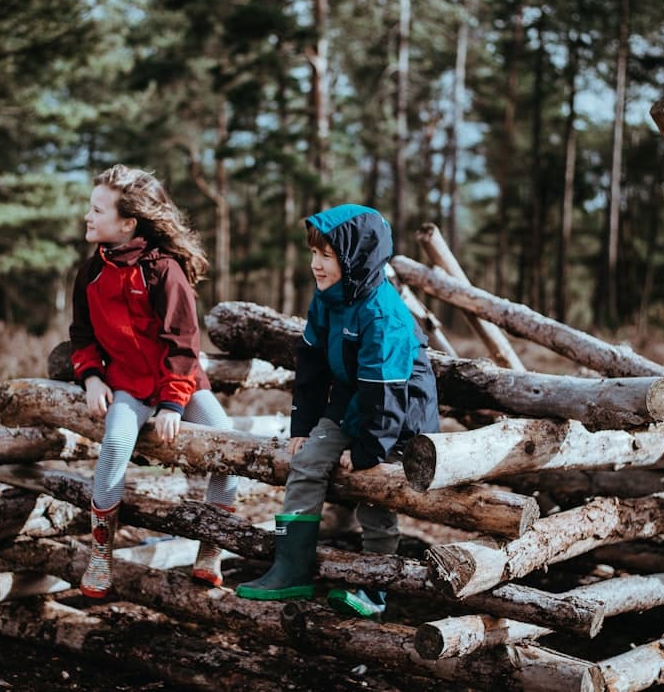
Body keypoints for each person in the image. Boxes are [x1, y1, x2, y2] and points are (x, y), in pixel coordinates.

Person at [235, 203, 439, 619]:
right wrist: (303, 426)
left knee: (376, 491)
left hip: (400, 418)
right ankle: (290, 568)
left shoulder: (383, 316)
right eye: (313, 254)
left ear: (355, 257)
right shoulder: (328, 299)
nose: (315, 265)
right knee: (306, 460)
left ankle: (375, 587)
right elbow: (310, 363)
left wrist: (367, 451)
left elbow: (385, 397)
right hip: (351, 402)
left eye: (326, 256)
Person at [70, 164, 240, 599]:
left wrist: (172, 405)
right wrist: (90, 377)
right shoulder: (90, 274)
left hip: (182, 384)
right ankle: (101, 554)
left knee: (227, 440)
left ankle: (211, 549)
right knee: (114, 445)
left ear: (128, 223)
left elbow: (183, 344)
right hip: (127, 386)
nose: (87, 216)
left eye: (96, 210)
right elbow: (83, 336)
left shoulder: (164, 271)